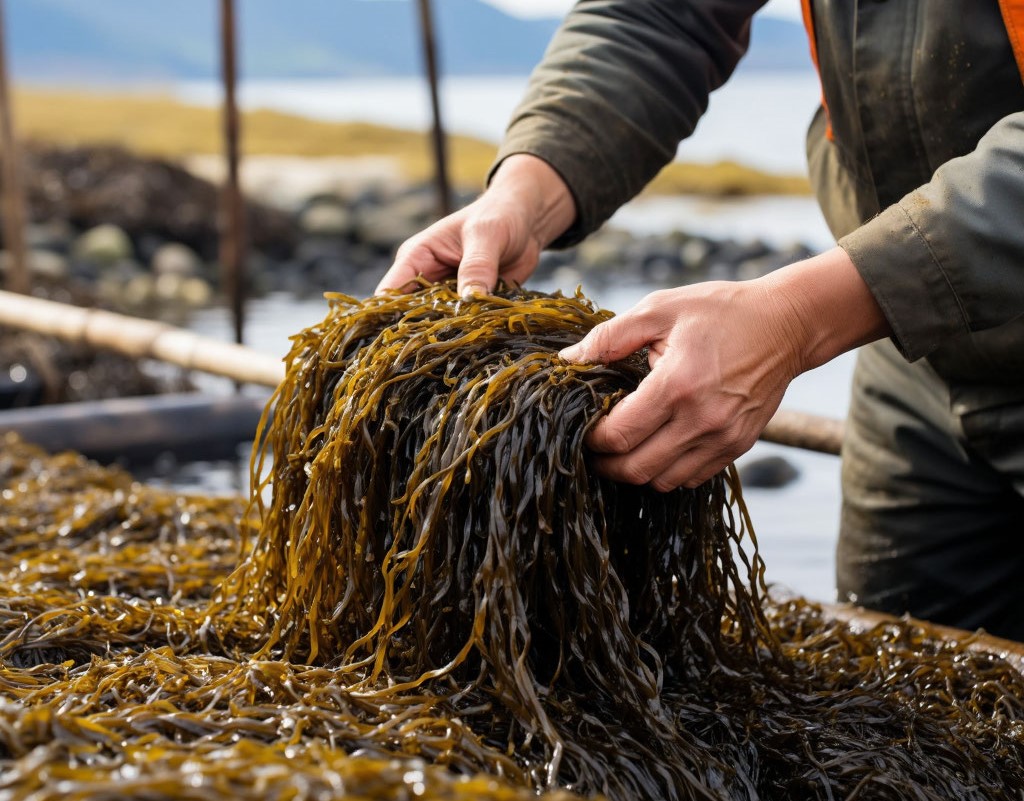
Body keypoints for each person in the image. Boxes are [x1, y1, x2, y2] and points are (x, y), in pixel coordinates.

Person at [376, 1, 1024, 641]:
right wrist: (527, 189)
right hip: (912, 352)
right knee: (905, 681)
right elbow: (658, 13)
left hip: (893, 299)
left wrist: (798, 316)